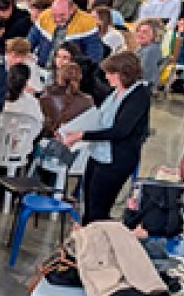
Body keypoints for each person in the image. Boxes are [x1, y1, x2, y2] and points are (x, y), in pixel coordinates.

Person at [61, 51, 151, 223]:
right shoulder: (115, 92)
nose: (107, 77)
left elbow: (120, 131)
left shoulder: (139, 96)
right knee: (88, 203)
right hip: (98, 153)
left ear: (124, 74)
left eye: (111, 73)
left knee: (99, 209)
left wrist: (82, 135)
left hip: (116, 160)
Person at [39, 60, 95, 141]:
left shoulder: (46, 98)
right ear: (80, 77)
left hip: (51, 142)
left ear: (58, 77)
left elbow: (43, 128)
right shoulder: (88, 101)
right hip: (77, 144)